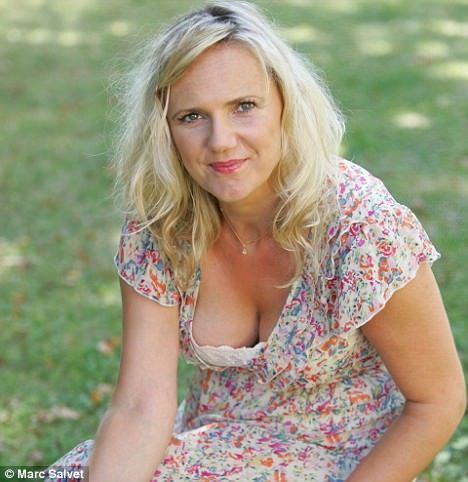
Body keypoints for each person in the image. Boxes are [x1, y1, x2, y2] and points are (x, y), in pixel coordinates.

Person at [45, 1, 466, 481]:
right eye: (191, 116)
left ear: (285, 104)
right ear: (163, 128)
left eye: (243, 107)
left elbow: (438, 401)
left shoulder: (360, 227)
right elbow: (141, 405)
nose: (221, 141)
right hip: (208, 448)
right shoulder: (161, 224)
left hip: (345, 463)